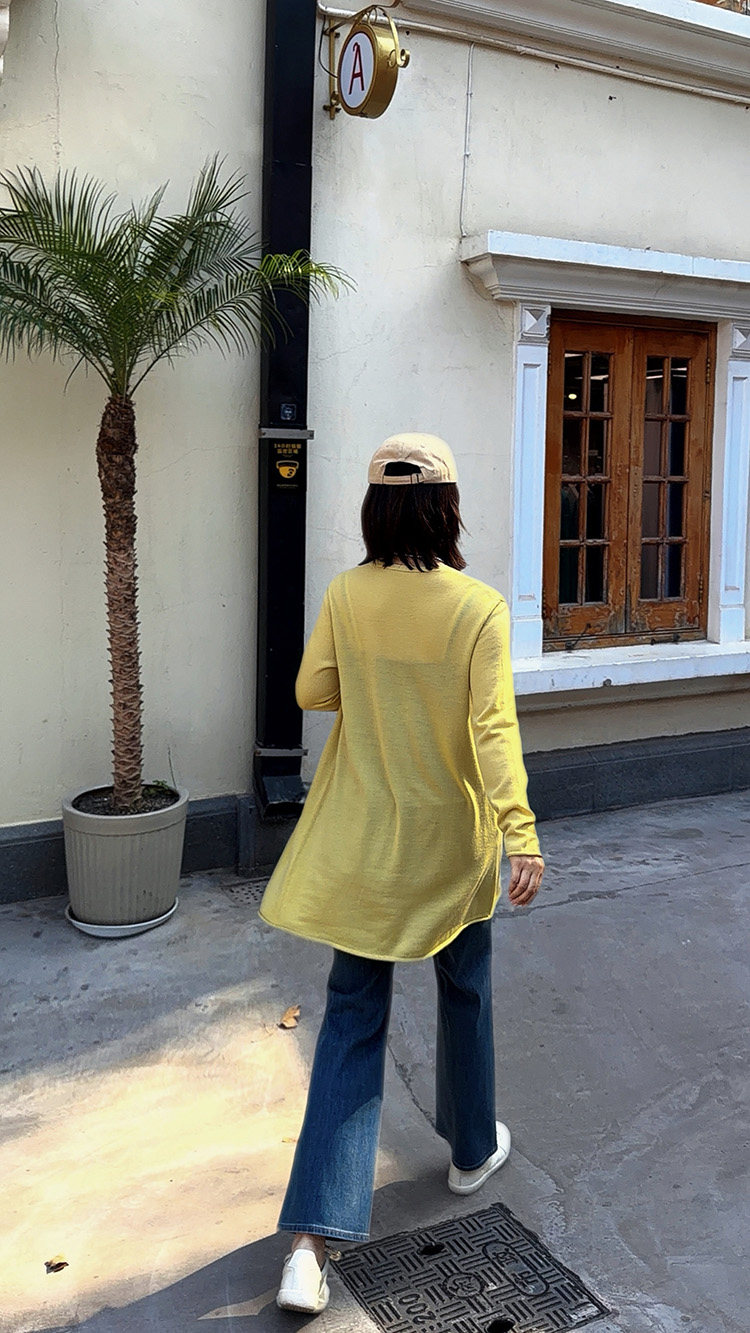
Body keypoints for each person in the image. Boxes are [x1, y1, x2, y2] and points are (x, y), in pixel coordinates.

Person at [259, 433, 545, 1315]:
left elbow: (311, 691)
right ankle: (470, 1148)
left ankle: (310, 1245)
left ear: (375, 509)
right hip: (451, 846)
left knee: (351, 1017)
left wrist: (375, 675)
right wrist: (521, 835)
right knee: (465, 988)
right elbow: (492, 729)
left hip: (366, 848)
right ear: (447, 506)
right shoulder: (479, 607)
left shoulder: (348, 594)